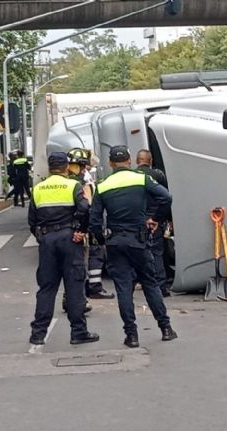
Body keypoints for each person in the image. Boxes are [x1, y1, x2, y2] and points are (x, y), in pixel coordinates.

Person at [90, 145, 177, 348]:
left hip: (115, 242)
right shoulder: (141, 179)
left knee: (123, 288)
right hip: (138, 239)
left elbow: (94, 221)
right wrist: (155, 219)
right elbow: (166, 197)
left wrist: (102, 242)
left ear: (110, 163)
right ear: (129, 161)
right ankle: (165, 328)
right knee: (150, 284)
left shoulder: (102, 185)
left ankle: (131, 335)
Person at [28, 152, 99, 348]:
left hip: (47, 240)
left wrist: (42, 237)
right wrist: (80, 231)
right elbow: (85, 208)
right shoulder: (73, 185)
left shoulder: (38, 188)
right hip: (69, 240)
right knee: (74, 286)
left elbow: (32, 220)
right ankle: (79, 332)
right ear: (67, 167)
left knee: (47, 288)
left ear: (50, 168)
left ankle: (38, 334)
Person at [68, 147, 114, 301]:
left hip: (72, 226)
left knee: (76, 261)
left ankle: (78, 294)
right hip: (85, 225)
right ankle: (92, 289)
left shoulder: (68, 179)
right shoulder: (81, 181)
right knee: (92, 255)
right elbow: (87, 205)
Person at [136, 149, 172, 297]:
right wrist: (163, 218)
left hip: (137, 220)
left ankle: (143, 283)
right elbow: (166, 197)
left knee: (138, 252)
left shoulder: (132, 176)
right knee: (157, 253)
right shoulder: (158, 175)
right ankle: (161, 287)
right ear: (150, 161)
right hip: (154, 220)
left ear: (137, 161)